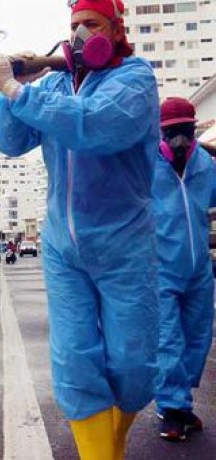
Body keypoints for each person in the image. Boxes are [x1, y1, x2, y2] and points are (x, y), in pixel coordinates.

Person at [0, 0, 160, 458]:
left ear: (115, 29)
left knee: (132, 363)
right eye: (74, 25)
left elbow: (95, 127)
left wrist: (22, 94)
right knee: (73, 362)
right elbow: (12, 141)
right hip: (63, 248)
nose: (81, 34)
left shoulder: (135, 79)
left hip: (124, 242)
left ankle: (114, 440)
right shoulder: (57, 84)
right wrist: (12, 90)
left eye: (92, 24)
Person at [152, 97, 216, 442]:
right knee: (168, 340)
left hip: (199, 271)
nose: (179, 139)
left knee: (198, 338)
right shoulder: (147, 164)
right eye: (172, 132)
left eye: (185, 131)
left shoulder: (205, 163)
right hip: (160, 269)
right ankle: (173, 407)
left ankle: (181, 401)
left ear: (194, 130)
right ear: (161, 132)